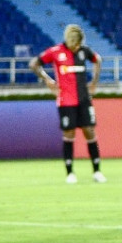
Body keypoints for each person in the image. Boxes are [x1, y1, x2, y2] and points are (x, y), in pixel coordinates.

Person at [30, 24, 106, 184]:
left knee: (89, 132)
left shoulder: (84, 51)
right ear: (71, 41)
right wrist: (47, 80)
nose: (78, 46)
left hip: (84, 100)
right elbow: (34, 64)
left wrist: (94, 82)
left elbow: (97, 60)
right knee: (69, 134)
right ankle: (70, 173)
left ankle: (97, 171)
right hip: (66, 101)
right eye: (76, 44)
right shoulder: (55, 52)